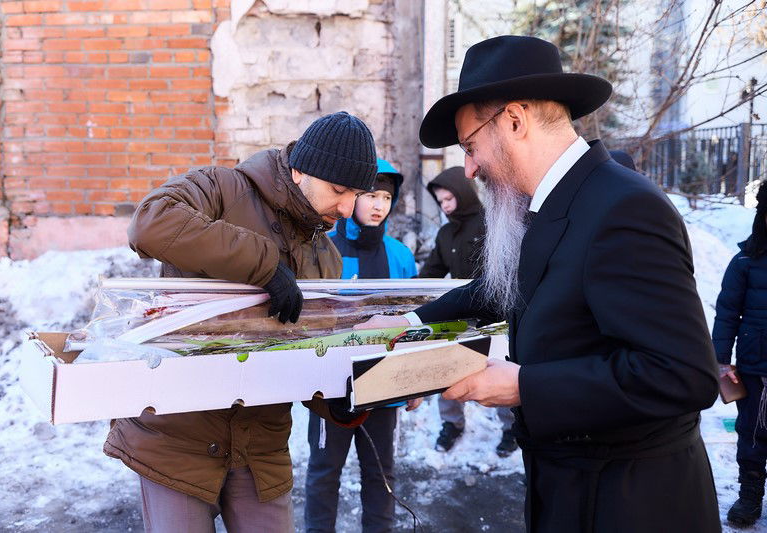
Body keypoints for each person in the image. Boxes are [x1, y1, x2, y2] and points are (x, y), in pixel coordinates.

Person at [358, 35, 720, 532]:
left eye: (470, 147)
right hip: (568, 488)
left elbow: (681, 375)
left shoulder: (623, 207)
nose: (470, 168)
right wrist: (410, 322)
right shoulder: (550, 202)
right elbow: (501, 288)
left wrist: (523, 385)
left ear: (514, 120)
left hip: (631, 500)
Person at [103, 111, 379, 533]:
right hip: (178, 437)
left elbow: (307, 354)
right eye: (338, 190)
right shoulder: (223, 188)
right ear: (299, 169)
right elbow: (150, 223)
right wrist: (263, 264)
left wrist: (338, 400)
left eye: (356, 194)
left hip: (261, 449)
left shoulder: (327, 258)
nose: (345, 208)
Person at [305, 159, 415, 533]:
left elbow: (415, 318)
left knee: (381, 476)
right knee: (323, 475)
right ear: (352, 196)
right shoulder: (321, 249)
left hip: (385, 387)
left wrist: (415, 380)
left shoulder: (401, 256)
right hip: (331, 388)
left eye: (386, 196)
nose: (378, 204)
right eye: (370, 194)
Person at [419, 167, 516, 456]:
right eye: (441, 201)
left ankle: (511, 426)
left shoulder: (491, 224)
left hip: (495, 316)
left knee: (499, 369)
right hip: (456, 316)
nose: (445, 205)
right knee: (446, 370)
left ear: (462, 192)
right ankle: (452, 423)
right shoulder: (445, 233)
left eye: (449, 198)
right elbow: (431, 273)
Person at [713, 181, 767, 527]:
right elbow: (728, 313)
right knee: (752, 433)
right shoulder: (746, 260)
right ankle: (750, 496)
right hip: (756, 364)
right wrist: (720, 359)